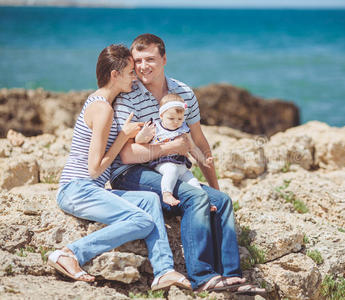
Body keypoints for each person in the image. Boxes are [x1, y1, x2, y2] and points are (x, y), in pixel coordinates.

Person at [111, 34, 265, 295]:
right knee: (195, 197)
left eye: (150, 59)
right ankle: (202, 276)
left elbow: (200, 142)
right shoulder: (128, 96)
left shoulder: (183, 94)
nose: (143, 66)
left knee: (223, 200)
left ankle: (231, 277)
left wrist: (214, 191)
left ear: (164, 59)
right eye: (138, 60)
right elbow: (128, 155)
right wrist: (170, 148)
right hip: (131, 174)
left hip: (170, 171)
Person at [48, 44, 191, 291]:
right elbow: (94, 169)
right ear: (115, 75)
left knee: (148, 200)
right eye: (130, 72)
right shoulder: (102, 108)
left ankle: (164, 270)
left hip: (91, 189)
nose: (134, 78)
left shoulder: (104, 104)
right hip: (77, 189)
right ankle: (70, 253)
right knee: (142, 220)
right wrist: (123, 137)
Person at [134, 93, 215, 210]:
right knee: (171, 170)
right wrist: (143, 133)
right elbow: (139, 141)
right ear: (161, 115)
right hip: (163, 162)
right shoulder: (156, 128)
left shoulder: (183, 130)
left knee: (193, 181)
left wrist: (203, 160)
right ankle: (167, 194)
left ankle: (205, 202)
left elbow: (192, 148)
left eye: (180, 119)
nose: (176, 122)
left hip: (181, 164)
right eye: (171, 118)